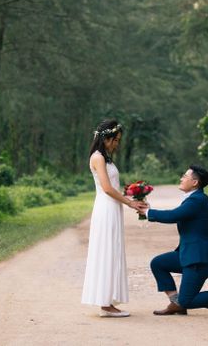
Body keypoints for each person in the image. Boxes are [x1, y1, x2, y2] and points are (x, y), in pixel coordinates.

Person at [139, 164, 208, 316]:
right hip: (188, 255)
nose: (181, 178)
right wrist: (149, 210)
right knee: (158, 263)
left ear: (195, 182)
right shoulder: (194, 198)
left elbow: (173, 215)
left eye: (185, 176)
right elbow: (176, 214)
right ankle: (177, 303)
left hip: (199, 260)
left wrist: (148, 212)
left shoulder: (198, 200)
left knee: (187, 300)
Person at [81, 119, 145, 317]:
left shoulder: (106, 157)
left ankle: (108, 300)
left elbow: (113, 185)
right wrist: (130, 202)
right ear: (106, 139)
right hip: (106, 207)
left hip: (112, 207)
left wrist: (131, 191)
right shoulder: (98, 157)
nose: (117, 144)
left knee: (113, 250)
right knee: (107, 251)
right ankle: (105, 305)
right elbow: (107, 188)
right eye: (115, 140)